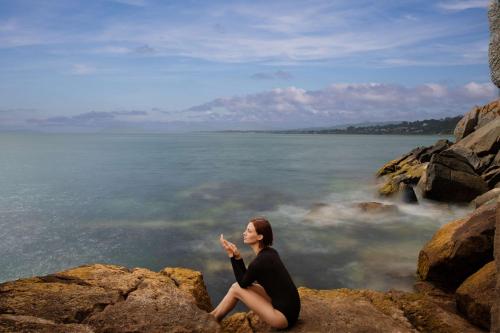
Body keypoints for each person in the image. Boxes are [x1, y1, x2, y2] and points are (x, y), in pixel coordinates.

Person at [210, 217, 301, 330]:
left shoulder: (259, 262)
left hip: (282, 318)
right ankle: (212, 316)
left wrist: (231, 255)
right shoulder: (271, 253)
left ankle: (212, 319)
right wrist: (237, 256)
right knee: (237, 286)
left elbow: (243, 283)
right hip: (291, 311)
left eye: (249, 231)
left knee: (236, 289)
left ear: (260, 236)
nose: (244, 233)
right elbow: (246, 280)